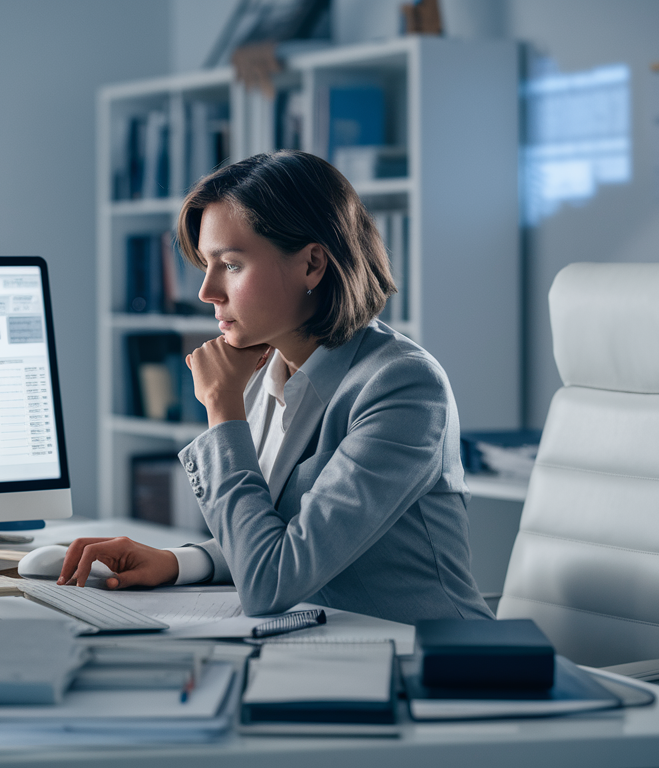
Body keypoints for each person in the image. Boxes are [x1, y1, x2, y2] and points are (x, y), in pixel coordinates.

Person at [60, 150, 493, 624]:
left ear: (311, 264)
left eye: (230, 264)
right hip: (326, 645)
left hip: (432, 662)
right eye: (206, 264)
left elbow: (272, 581)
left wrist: (223, 411)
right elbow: (278, 534)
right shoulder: (271, 369)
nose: (206, 292)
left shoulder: (403, 387)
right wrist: (177, 562)